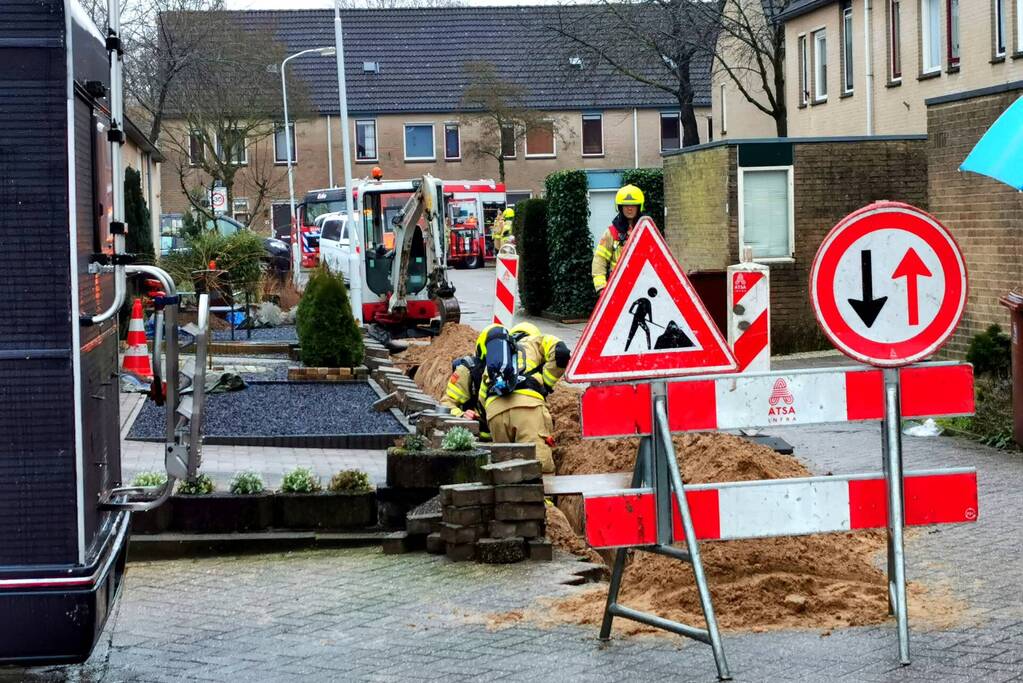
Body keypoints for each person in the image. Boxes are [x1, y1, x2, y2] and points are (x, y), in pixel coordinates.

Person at [476, 323, 570, 474]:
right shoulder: (535, 341)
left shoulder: (496, 362)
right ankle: (543, 497)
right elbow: (561, 353)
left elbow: (481, 401)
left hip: (494, 413)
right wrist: (546, 383)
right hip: (528, 408)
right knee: (538, 465)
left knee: (505, 471)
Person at [441, 324, 496, 439]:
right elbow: (446, 403)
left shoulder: (516, 373)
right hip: (475, 437)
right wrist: (461, 416)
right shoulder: (467, 371)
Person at [591, 184, 647, 294]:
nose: (629, 208)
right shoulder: (611, 232)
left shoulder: (647, 230)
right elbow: (599, 260)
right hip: (618, 289)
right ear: (620, 207)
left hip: (643, 286)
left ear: (639, 206)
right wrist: (601, 288)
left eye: (633, 205)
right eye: (625, 205)